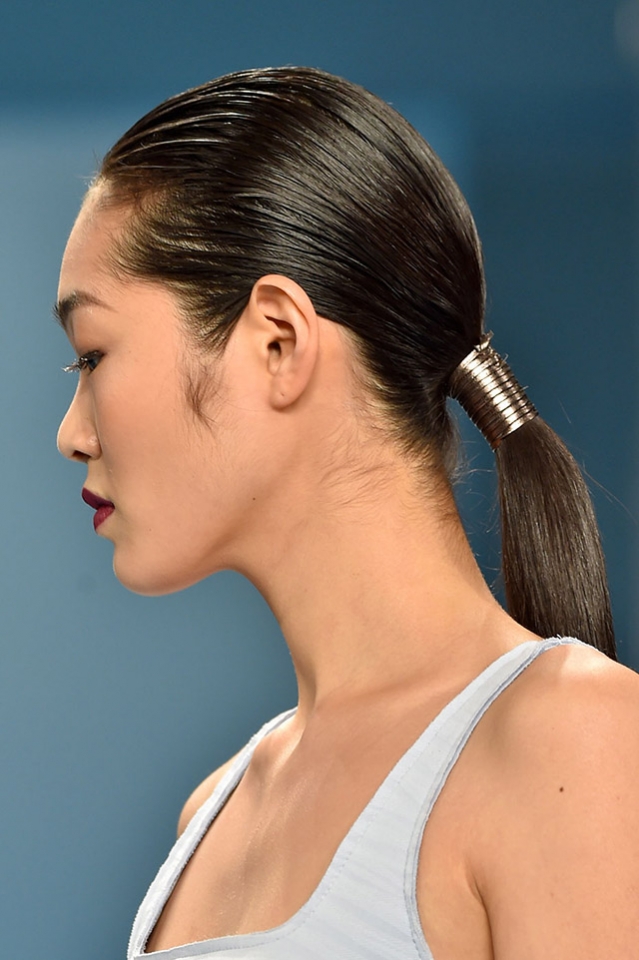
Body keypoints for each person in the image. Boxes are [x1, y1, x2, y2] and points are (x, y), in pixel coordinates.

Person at [55, 66, 639, 960]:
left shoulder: (575, 743)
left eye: (92, 356)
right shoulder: (211, 816)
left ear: (278, 341)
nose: (71, 434)